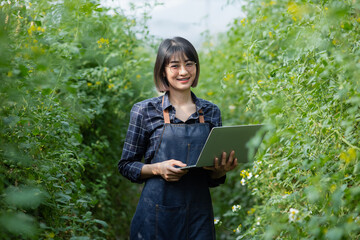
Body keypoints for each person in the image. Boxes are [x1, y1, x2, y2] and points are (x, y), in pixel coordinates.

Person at [118, 36, 238, 240]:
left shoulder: (210, 112)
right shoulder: (144, 111)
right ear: (163, 71)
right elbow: (126, 165)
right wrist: (157, 168)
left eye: (189, 64)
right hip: (155, 218)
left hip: (198, 217)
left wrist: (219, 171)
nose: (183, 71)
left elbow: (212, 179)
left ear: (196, 67)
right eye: (175, 65)